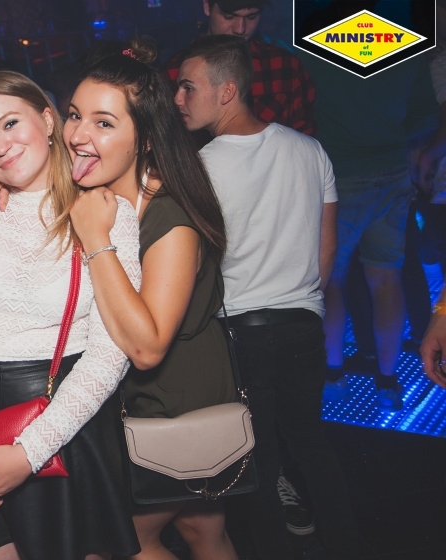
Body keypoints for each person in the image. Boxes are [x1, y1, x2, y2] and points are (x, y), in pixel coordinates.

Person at [0, 70, 141, 560]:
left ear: (47, 120)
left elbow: (111, 354)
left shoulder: (108, 212)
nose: (0, 147)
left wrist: (29, 453)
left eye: (10, 124)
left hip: (68, 419)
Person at [173, 35, 358, 559]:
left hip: (239, 332)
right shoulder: (310, 150)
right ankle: (348, 547)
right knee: (311, 444)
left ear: (227, 90)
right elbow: (326, 252)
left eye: (188, 87)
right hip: (303, 323)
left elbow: (195, 270)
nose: (178, 99)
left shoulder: (200, 167)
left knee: (258, 460)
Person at [64, 38, 238, 560]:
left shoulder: (169, 215)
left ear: (143, 139)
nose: (78, 135)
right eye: (74, 115)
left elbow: (148, 346)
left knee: (124, 543)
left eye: (103, 122)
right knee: (203, 533)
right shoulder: (96, 192)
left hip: (175, 399)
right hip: (140, 400)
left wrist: (96, 239)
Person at [298, 1, 439, 412]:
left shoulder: (314, 48)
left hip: (337, 176)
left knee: (331, 280)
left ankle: (334, 377)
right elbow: (425, 116)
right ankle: (388, 384)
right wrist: (391, 136)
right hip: (392, 173)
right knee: (387, 279)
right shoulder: (402, 43)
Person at [164, 0, 316, 141]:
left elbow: (305, 137)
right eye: (229, 16)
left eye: (251, 17)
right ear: (207, 6)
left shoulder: (285, 65)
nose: (240, 29)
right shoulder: (173, 71)